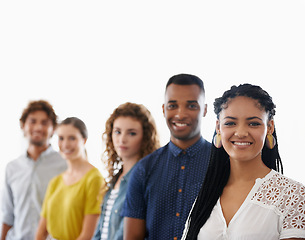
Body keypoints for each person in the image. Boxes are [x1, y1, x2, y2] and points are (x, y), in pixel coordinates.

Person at [182, 84, 305, 240]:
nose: (240, 133)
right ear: (218, 127)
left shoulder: (294, 195)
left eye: (253, 123)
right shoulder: (206, 194)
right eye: (230, 123)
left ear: (269, 127)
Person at [122, 74, 212, 240]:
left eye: (191, 106)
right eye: (173, 106)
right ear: (163, 109)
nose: (180, 114)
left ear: (204, 109)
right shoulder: (143, 169)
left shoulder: (222, 163)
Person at [92, 102, 160, 240]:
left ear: (145, 138)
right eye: (117, 131)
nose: (122, 139)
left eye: (132, 133)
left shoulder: (147, 180)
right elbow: (100, 230)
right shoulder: (115, 179)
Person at [1, 100, 67, 240]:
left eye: (44, 123)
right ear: (23, 126)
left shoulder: (65, 166)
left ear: (53, 129)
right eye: (32, 121)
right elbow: (8, 215)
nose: (38, 127)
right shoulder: (12, 168)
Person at [35, 117, 106, 240]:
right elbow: (41, 233)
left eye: (72, 138)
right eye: (61, 138)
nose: (65, 144)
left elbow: (87, 235)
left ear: (84, 140)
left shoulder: (94, 180)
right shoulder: (55, 182)